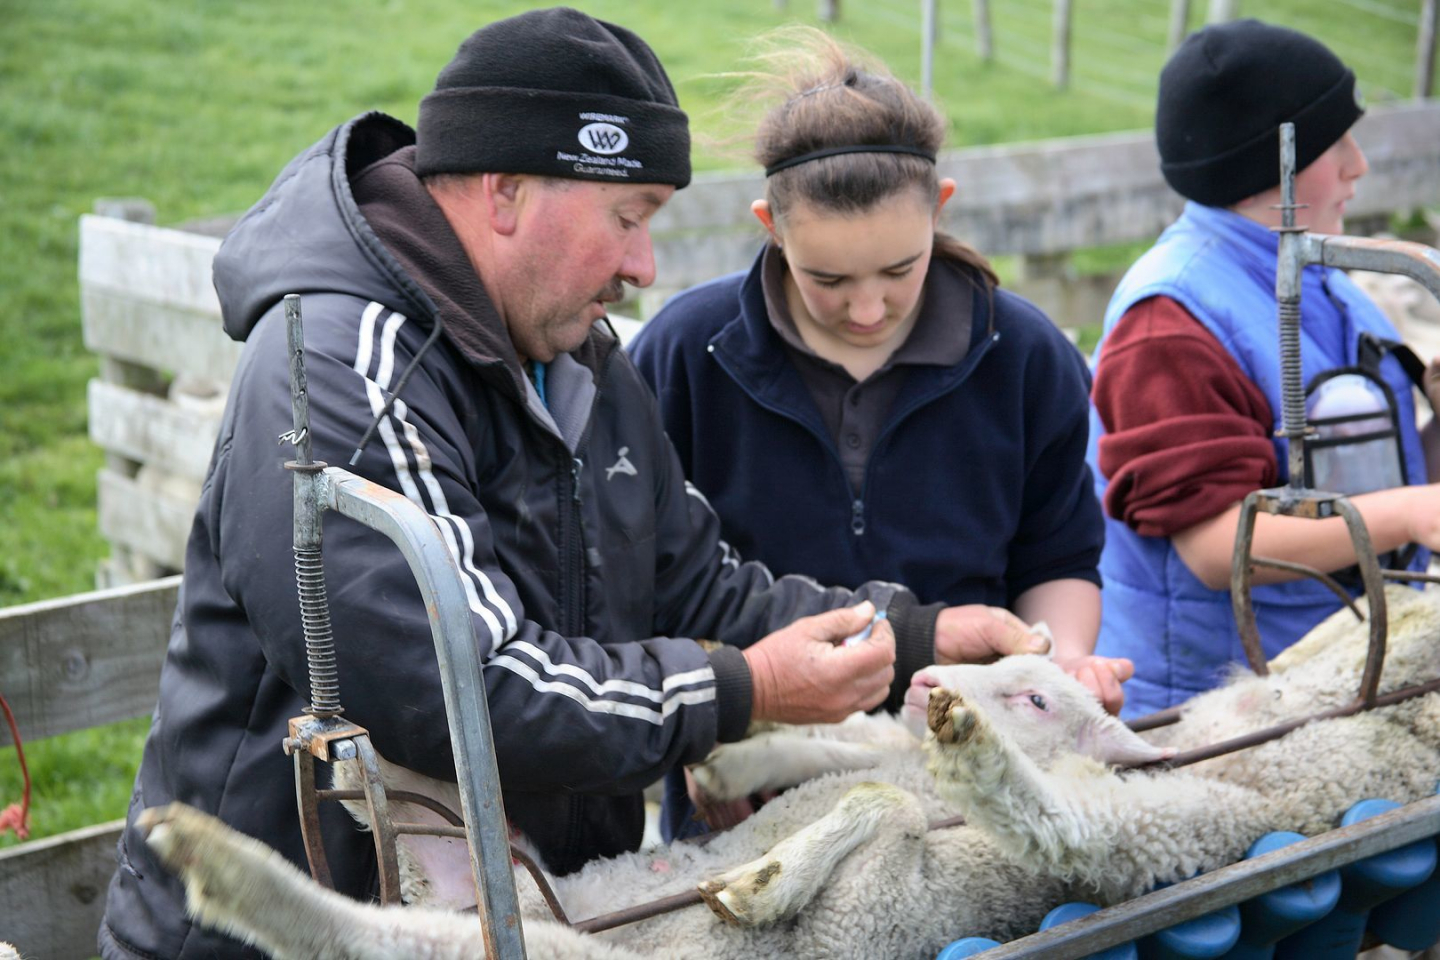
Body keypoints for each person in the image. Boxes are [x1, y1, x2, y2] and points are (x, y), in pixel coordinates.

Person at [98, 10, 1057, 958]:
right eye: (627, 218)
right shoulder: (349, 368)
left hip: (516, 923)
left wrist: (915, 635)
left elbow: (699, 585)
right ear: (507, 192)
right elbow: (460, 687)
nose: (642, 266)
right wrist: (743, 688)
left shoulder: (578, 358)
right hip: (288, 931)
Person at [628, 32, 1123, 834]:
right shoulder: (685, 356)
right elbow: (643, 581)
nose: (866, 310)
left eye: (901, 270)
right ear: (770, 225)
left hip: (973, 790)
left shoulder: (1027, 356)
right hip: (747, 795)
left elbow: (1059, 557)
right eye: (826, 279)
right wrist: (709, 730)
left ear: (943, 209)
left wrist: (1061, 665)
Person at [1088, 18, 1440, 720]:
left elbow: (1361, 478)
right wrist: (1413, 513)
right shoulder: (1168, 321)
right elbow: (1219, 545)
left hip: (1338, 686)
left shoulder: (1318, 277)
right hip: (1211, 722)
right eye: (1332, 142)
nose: (1357, 165)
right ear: (1265, 164)